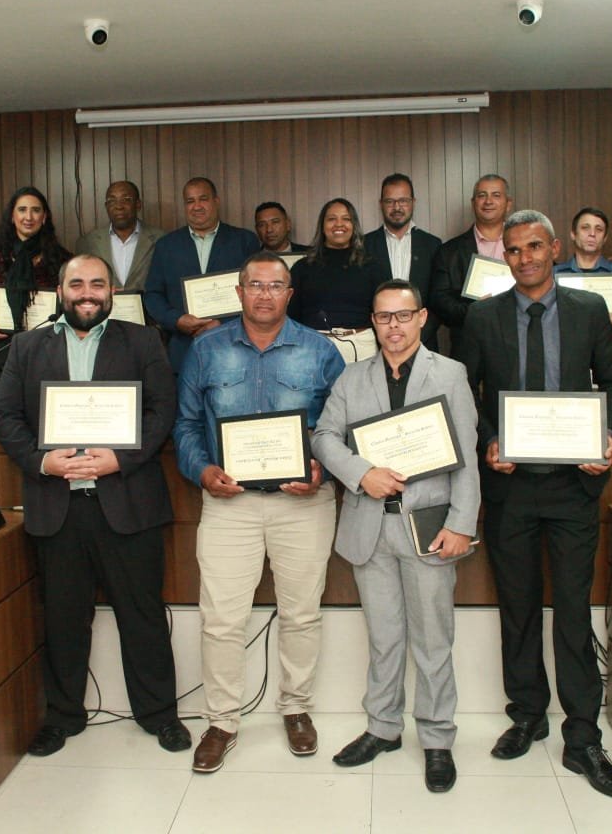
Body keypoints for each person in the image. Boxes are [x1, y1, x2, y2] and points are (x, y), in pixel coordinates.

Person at [455, 209, 612, 800]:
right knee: (519, 605)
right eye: (514, 250)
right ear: (502, 256)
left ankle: (582, 734)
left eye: (535, 247)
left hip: (573, 485)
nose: (525, 257)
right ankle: (528, 713)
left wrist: (606, 437)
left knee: (575, 609)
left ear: (554, 248)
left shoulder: (587, 311)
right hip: (511, 487)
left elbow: (611, 383)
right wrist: (489, 439)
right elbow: (469, 395)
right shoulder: (482, 317)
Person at [0, 253, 190, 758]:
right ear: (59, 291)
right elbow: (6, 415)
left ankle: (159, 715)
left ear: (112, 291)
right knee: (62, 618)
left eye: (97, 284)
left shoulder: (143, 340)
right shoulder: (27, 346)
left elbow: (162, 410)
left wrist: (118, 459)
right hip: (57, 505)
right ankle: (62, 717)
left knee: (142, 616)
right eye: (76, 284)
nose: (86, 293)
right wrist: (42, 463)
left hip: (127, 501)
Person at [173, 251, 345, 773]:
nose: (265, 294)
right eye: (255, 285)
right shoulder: (205, 350)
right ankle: (222, 720)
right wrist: (203, 471)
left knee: (301, 612)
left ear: (290, 294)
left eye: (276, 285)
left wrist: (323, 470)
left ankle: (296, 709)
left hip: (305, 503)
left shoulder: (322, 352)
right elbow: (183, 427)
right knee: (222, 618)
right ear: (239, 292)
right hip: (230, 504)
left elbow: (345, 428)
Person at [311, 279, 479, 794]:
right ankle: (382, 728)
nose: (394, 327)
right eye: (383, 317)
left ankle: (436, 739)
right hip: (370, 526)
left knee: (433, 641)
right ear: (373, 322)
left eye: (403, 316)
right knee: (384, 640)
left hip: (428, 527)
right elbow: (323, 438)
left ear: (423, 317)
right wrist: (361, 472)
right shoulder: (351, 378)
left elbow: (468, 457)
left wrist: (461, 525)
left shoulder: (449, 373)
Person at [144, 177, 260, 371]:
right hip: (184, 350)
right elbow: (153, 294)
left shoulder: (244, 241)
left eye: (203, 199)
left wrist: (222, 323)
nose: (196, 206)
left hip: (236, 347)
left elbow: (257, 291)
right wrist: (177, 320)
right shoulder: (166, 245)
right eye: (190, 201)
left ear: (216, 201)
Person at [0, 186, 73, 379]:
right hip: (1, 349)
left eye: (36, 210)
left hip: (48, 351)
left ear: (45, 217)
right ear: (12, 216)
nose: (29, 217)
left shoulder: (62, 259)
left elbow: (71, 306)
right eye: (22, 210)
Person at [553, 207, 612, 375]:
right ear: (573, 234)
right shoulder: (554, 276)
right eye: (585, 228)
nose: (592, 234)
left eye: (599, 229)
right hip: (565, 367)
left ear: (605, 238)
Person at [287, 198, 383, 362]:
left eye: (346, 219)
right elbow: (291, 317)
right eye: (332, 219)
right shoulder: (302, 268)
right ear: (322, 227)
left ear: (354, 226)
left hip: (361, 346)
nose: (339, 224)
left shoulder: (372, 267)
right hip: (313, 346)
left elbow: (382, 314)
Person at [430, 174, 513, 353]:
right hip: (469, 345)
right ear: (473, 202)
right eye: (482, 195)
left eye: (496, 195)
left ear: (508, 204)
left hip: (518, 341)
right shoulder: (449, 251)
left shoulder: (525, 246)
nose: (488, 201)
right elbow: (439, 300)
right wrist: (474, 311)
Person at [363, 173, 442, 349]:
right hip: (376, 346)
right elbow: (361, 300)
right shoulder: (364, 245)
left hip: (424, 344)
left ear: (413, 202)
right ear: (381, 204)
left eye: (403, 201)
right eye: (390, 201)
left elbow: (438, 300)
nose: (397, 207)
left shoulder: (432, 245)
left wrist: (417, 337)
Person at [75, 180, 165, 291]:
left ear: (138, 205)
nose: (119, 206)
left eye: (126, 199)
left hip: (148, 307)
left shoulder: (161, 239)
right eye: (112, 201)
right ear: (106, 206)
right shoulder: (88, 242)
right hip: (105, 307)